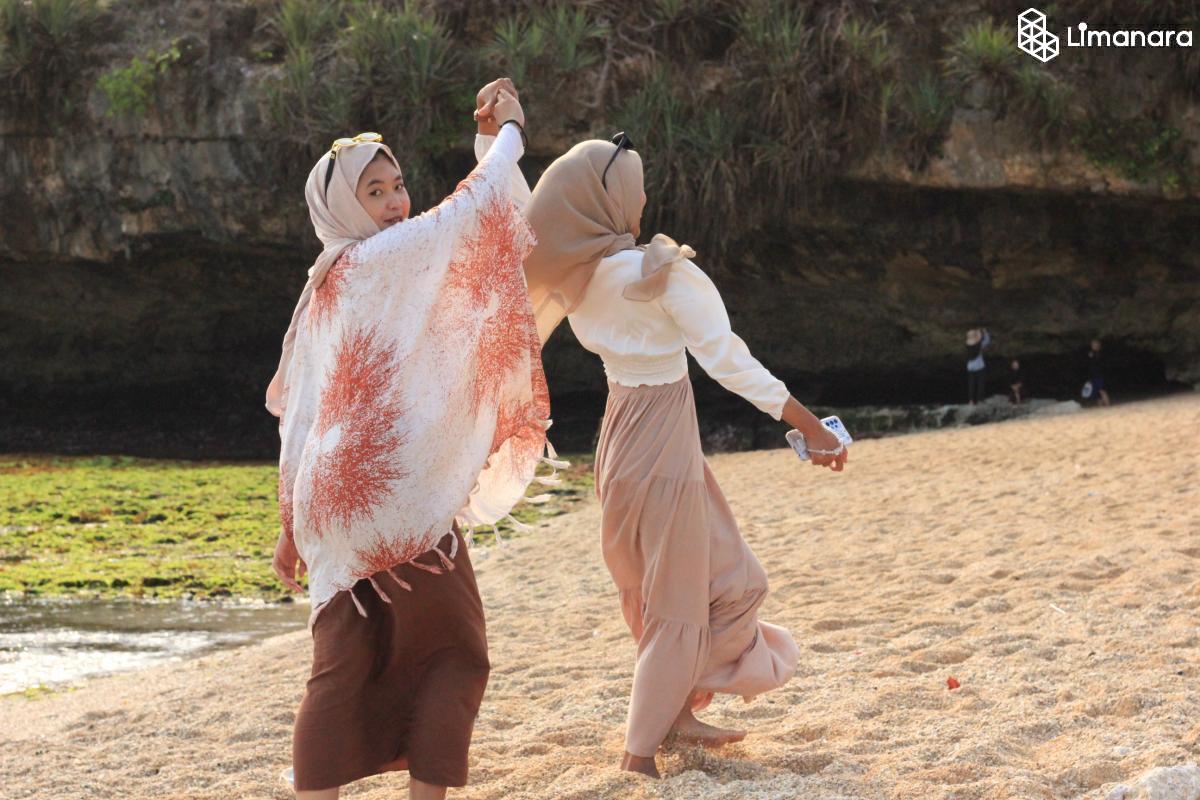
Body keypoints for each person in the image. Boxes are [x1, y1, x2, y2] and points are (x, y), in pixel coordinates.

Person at [513, 136, 849, 778]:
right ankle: (640, 753)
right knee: (683, 596)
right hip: (662, 446)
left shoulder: (574, 280)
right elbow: (729, 361)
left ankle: (678, 713)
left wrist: (497, 137)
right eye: (635, 187)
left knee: (713, 581)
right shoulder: (660, 271)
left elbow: (521, 204)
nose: (642, 199)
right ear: (609, 199)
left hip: (621, 444)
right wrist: (813, 428)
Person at [267, 80, 551, 800]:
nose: (395, 202)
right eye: (375, 192)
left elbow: (301, 415)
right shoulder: (387, 258)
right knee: (455, 653)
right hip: (393, 495)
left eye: (397, 186)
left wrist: (291, 524)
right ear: (341, 206)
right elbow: (475, 209)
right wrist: (507, 132)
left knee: (339, 669)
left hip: (330, 503)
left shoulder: (325, 286)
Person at [965, 328, 991, 405]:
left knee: (971, 384)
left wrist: (976, 334)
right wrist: (985, 332)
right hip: (979, 366)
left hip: (970, 366)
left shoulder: (967, 344)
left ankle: (971, 400)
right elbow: (987, 340)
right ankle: (980, 399)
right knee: (980, 383)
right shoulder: (979, 344)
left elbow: (975, 340)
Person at [1088, 338, 1111, 406]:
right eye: (1092, 344)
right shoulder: (1092, 353)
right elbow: (1091, 365)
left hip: (1100, 375)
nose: (1093, 346)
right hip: (1093, 375)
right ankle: (1100, 408)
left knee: (1102, 390)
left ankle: (1108, 405)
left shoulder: (1101, 353)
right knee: (1096, 393)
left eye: (1095, 344)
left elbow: (1101, 363)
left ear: (1098, 345)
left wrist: (1093, 356)